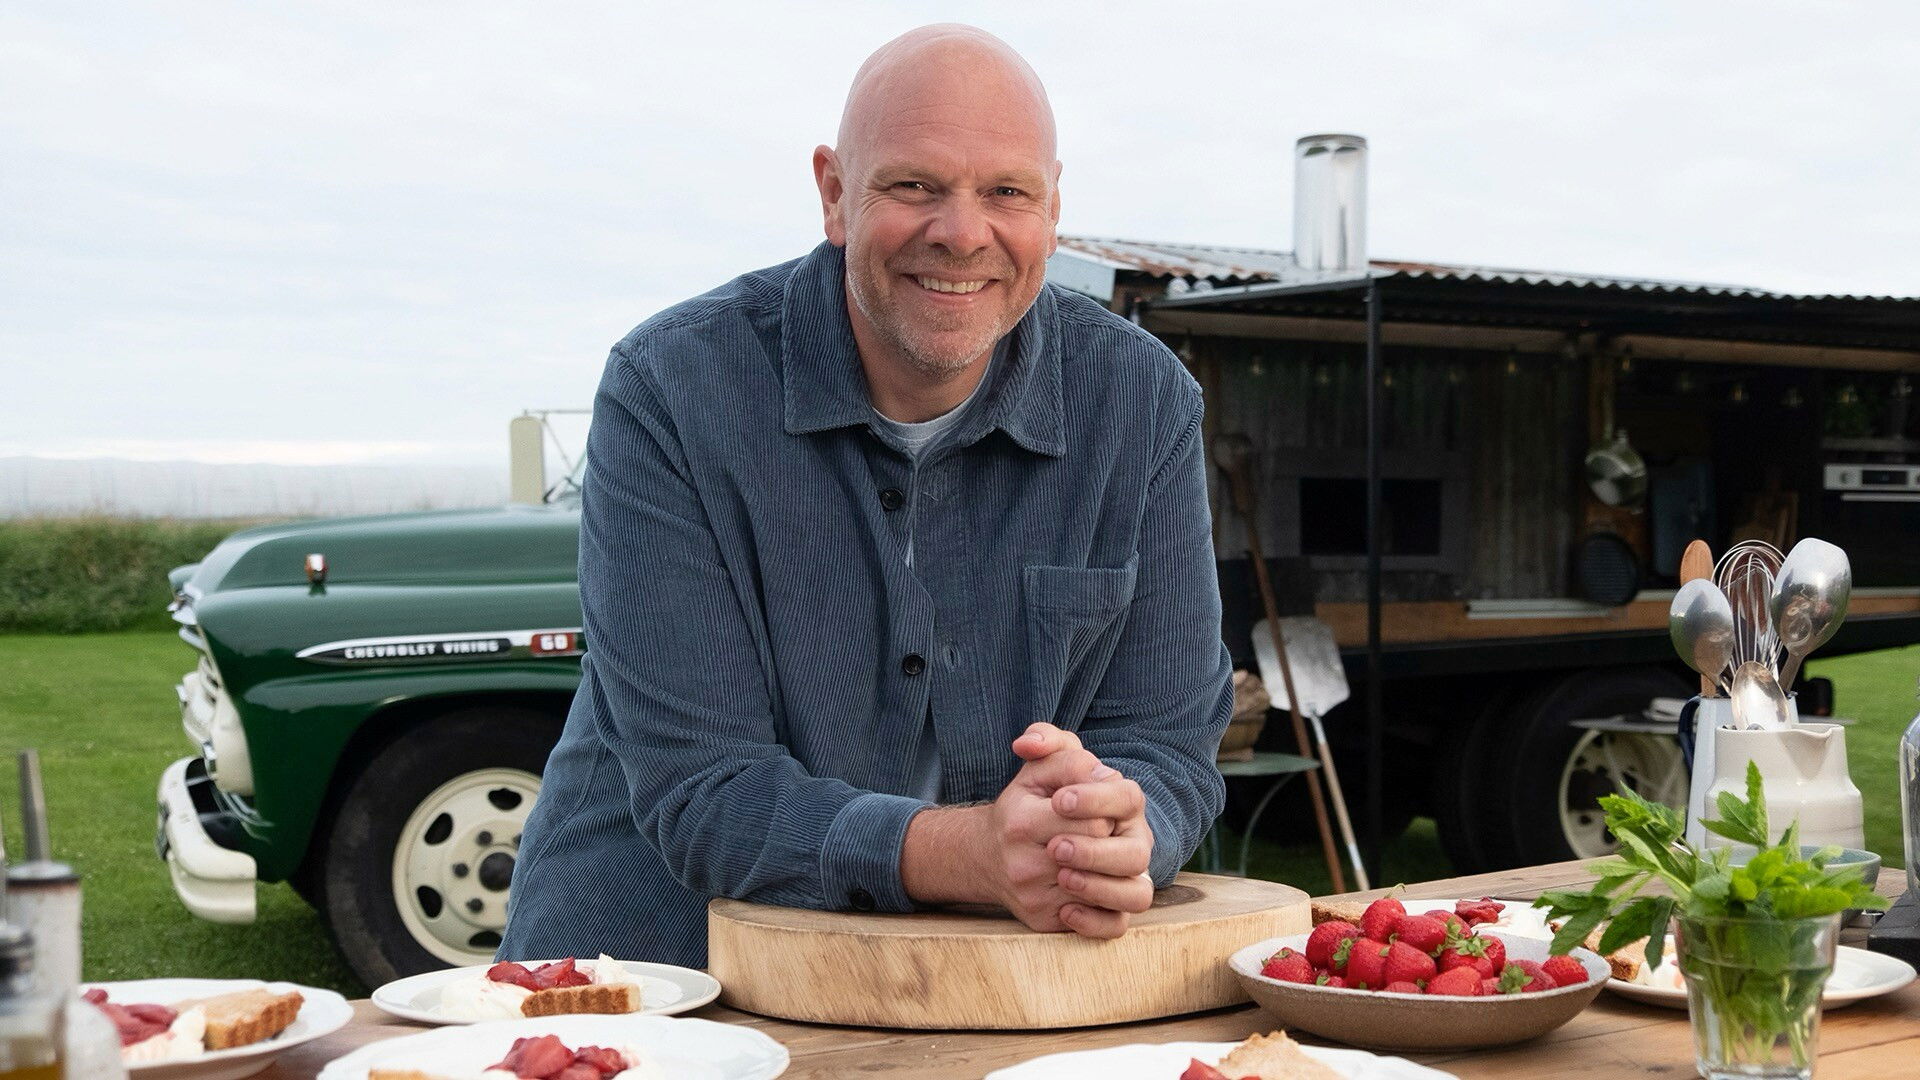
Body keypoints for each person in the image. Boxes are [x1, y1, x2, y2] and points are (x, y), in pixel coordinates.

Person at [500, 24, 1232, 968]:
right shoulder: (674, 390)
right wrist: (966, 852)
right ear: (836, 194)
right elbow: (703, 786)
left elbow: (1168, 741)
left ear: (1053, 209)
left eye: (1007, 192)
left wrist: (1122, 828)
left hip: (973, 993)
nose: (962, 233)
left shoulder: (1142, 404)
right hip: (650, 985)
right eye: (914, 185)